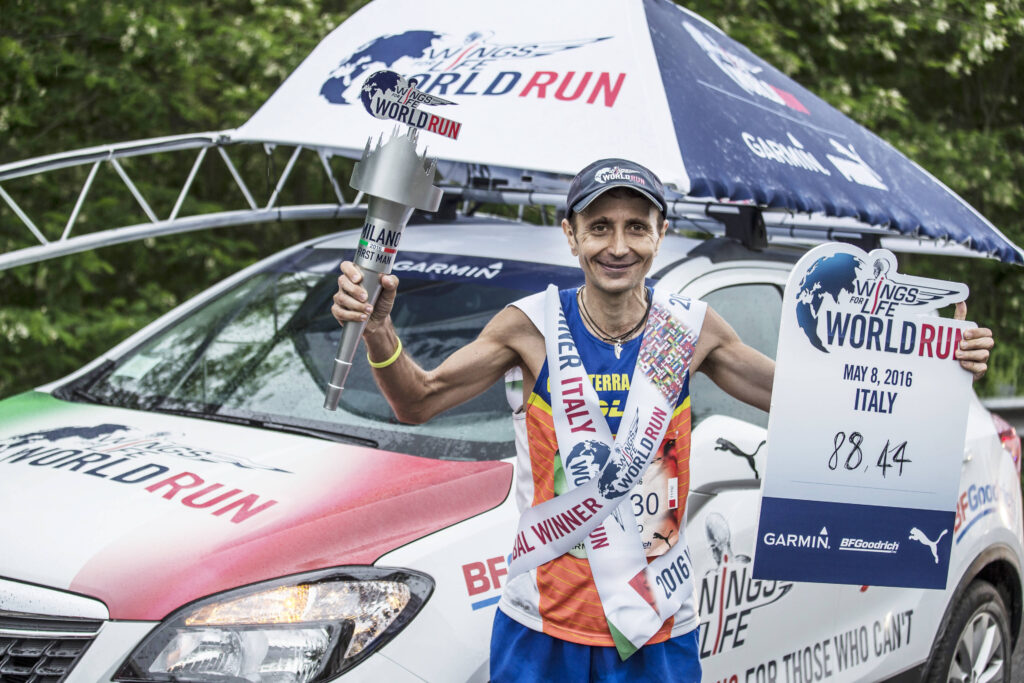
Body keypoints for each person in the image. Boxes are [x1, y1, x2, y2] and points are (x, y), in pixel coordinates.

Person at [331, 158, 994, 681]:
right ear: (572, 235)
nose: (617, 245)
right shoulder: (531, 326)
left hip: (655, 625)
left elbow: (808, 394)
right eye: (599, 227)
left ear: (659, 234)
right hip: (541, 628)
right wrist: (381, 330)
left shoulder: (688, 329)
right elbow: (417, 398)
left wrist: (930, 367)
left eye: (635, 226)